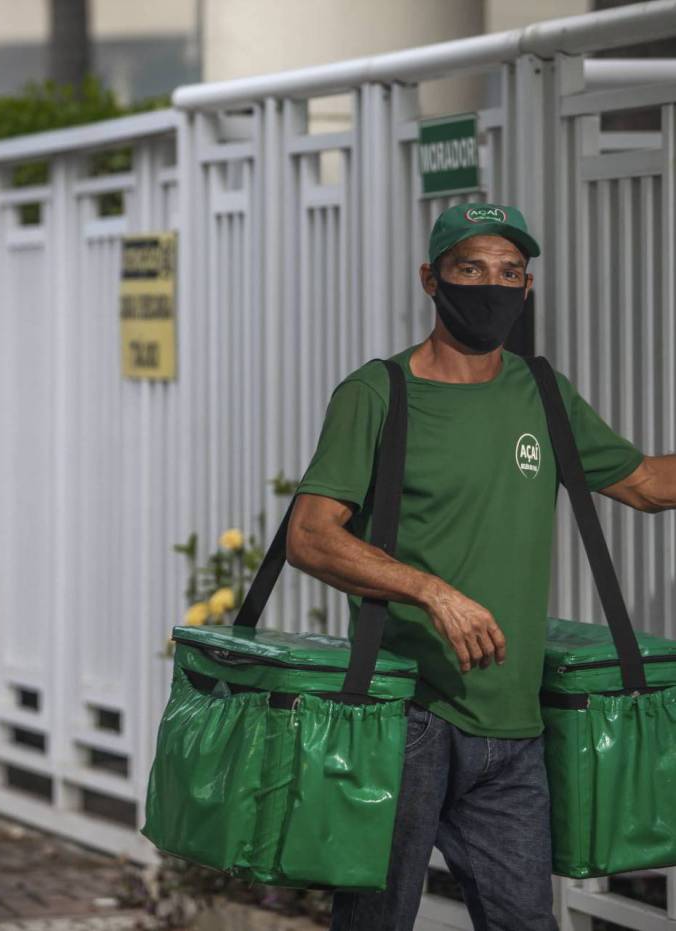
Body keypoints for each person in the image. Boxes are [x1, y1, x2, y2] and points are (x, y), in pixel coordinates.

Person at [285, 201, 674, 931]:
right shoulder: (378, 394)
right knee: (375, 924)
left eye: (510, 273)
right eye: (472, 269)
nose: (493, 287)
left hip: (512, 726)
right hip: (404, 721)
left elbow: (648, 484)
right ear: (432, 279)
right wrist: (431, 591)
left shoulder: (543, 394)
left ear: (525, 289)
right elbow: (310, 536)